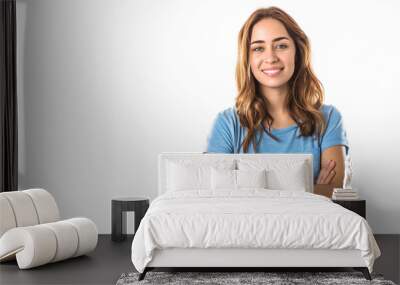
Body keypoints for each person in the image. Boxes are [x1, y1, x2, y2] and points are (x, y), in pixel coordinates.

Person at [206, 7, 349, 191]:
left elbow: (333, 193)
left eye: (281, 46)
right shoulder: (227, 124)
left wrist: (249, 189)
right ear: (247, 59)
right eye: (258, 48)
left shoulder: (328, 119)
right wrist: (311, 189)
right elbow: (216, 195)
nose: (270, 57)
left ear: (298, 51)